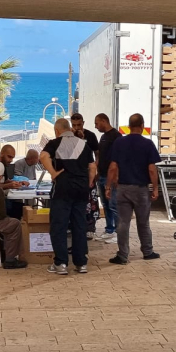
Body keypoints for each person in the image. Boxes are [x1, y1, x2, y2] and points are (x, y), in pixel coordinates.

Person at [40, 118, 96, 275]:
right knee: (79, 225)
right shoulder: (83, 144)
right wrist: (88, 183)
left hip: (63, 189)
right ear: (70, 129)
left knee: (59, 225)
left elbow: (43, 156)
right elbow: (92, 167)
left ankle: (61, 263)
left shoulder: (55, 143)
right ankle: (81, 263)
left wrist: (53, 173)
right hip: (81, 189)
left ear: (57, 131)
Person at [106, 113, 161, 264]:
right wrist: (155, 188)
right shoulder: (148, 144)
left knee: (123, 223)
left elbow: (113, 167)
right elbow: (152, 169)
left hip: (123, 189)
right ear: (142, 126)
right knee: (143, 222)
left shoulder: (119, 143)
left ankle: (123, 255)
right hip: (141, 190)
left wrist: (108, 186)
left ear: (129, 126)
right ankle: (148, 252)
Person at [71, 113, 101, 239]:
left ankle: (90, 227)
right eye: (74, 125)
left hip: (88, 173)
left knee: (91, 200)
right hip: (74, 174)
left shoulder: (91, 135)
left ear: (83, 123)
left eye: (79, 124)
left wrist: (96, 168)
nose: (76, 127)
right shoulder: (68, 137)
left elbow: (97, 153)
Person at [94, 113, 121, 244]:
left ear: (104, 121)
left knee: (114, 205)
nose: (96, 126)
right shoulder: (103, 137)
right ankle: (109, 230)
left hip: (111, 177)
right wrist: (97, 171)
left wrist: (116, 176)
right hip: (102, 175)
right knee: (105, 205)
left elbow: (119, 159)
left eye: (97, 123)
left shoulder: (116, 136)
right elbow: (99, 156)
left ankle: (119, 233)